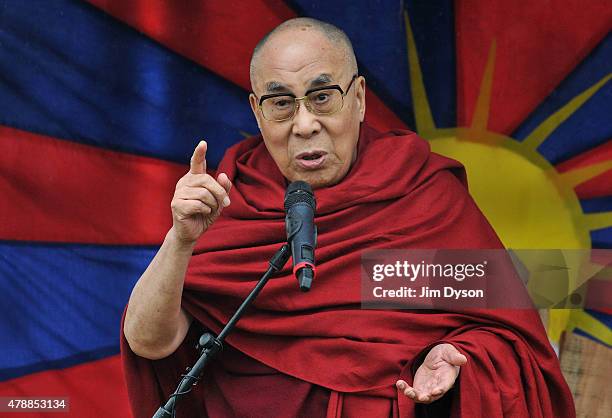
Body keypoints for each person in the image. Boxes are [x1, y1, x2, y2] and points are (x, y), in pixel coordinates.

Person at [122, 18, 575, 418]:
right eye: (281, 103)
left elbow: (509, 339)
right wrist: (180, 241)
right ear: (257, 112)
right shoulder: (226, 204)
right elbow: (150, 342)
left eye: (322, 97)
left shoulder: (421, 194)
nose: (304, 124)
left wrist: (456, 351)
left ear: (357, 98)